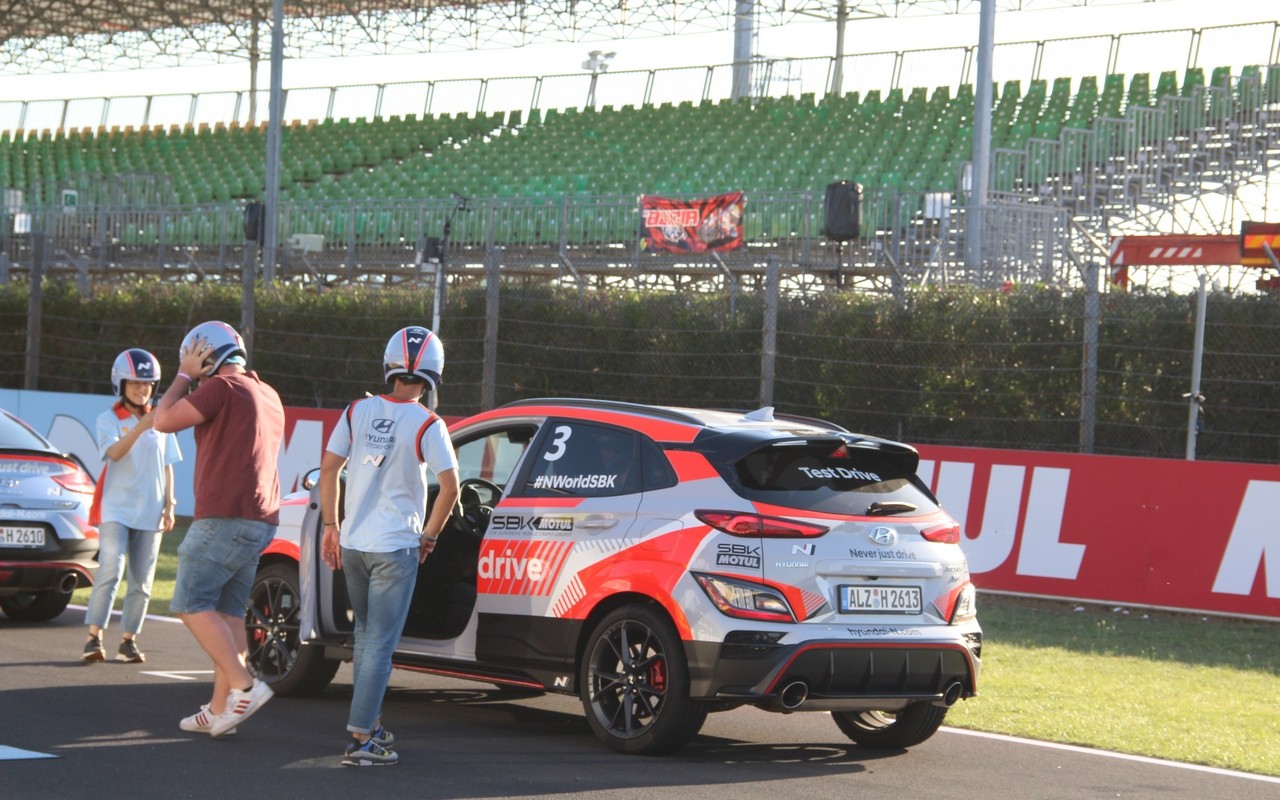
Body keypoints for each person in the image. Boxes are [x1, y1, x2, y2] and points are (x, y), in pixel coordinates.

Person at [319, 325, 459, 767]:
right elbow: (451, 487)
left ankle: (371, 724)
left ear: (389, 366)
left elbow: (328, 472)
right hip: (396, 547)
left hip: (355, 544)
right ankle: (361, 738)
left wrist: (330, 526)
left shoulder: (356, 410)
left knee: (365, 638)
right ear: (433, 373)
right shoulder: (429, 424)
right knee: (379, 643)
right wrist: (431, 535)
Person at [153, 321, 284, 738]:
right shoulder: (267, 392)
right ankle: (219, 708)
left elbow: (163, 420)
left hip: (224, 517)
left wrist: (183, 375)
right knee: (228, 614)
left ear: (208, 357)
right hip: (260, 518)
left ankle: (245, 688)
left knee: (191, 603)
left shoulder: (221, 388)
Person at [81, 349, 182, 664]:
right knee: (111, 570)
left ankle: (128, 641)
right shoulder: (107, 419)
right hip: (116, 510)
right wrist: (140, 428)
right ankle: (94, 638)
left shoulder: (161, 420)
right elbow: (114, 454)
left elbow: (168, 465)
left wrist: (169, 504)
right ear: (120, 384)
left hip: (151, 512)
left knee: (143, 581)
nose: (143, 390)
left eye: (148, 384)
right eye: (136, 383)